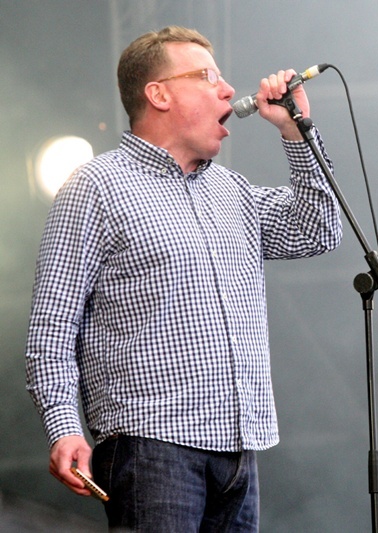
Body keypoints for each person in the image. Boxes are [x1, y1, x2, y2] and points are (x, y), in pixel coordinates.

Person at [24, 25, 342, 531]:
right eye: (207, 76)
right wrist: (64, 428)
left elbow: (318, 230)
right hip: (152, 444)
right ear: (159, 93)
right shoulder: (97, 186)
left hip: (240, 446)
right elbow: (51, 329)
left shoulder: (230, 190)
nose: (226, 89)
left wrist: (295, 131)